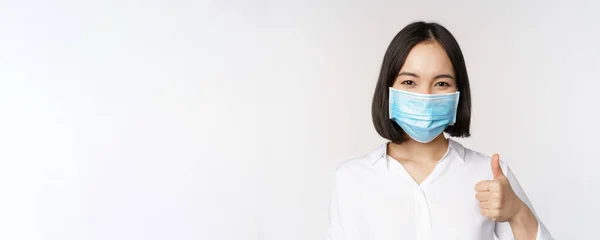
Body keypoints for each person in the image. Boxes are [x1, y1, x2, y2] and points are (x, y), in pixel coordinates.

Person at [326, 22, 553, 240]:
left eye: (441, 83)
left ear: (458, 93)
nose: (425, 96)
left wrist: (517, 212)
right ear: (389, 89)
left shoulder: (489, 175)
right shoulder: (351, 179)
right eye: (409, 82)